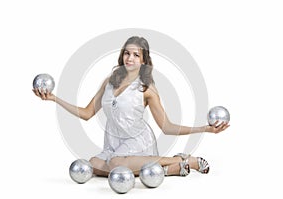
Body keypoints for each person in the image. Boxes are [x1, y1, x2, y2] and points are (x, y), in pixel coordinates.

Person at [33, 36, 230, 177]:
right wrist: (53, 98)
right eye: (127, 53)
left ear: (144, 60)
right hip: (113, 144)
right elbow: (86, 113)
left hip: (138, 143)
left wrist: (205, 129)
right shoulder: (109, 82)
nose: (130, 58)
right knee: (94, 164)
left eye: (136, 55)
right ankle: (169, 169)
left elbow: (167, 127)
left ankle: (183, 161)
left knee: (117, 164)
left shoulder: (147, 89)